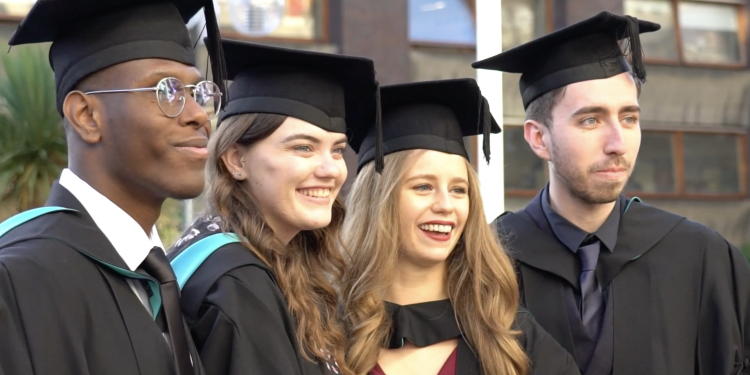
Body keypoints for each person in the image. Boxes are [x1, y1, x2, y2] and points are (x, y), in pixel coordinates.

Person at [473, 11, 750, 375]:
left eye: (629, 118)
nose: (617, 143)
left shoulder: (702, 256)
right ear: (538, 138)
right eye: (591, 120)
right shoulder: (487, 264)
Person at [0, 1, 226, 375]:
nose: (199, 114)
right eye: (166, 91)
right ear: (86, 116)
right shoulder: (21, 279)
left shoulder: (157, 278)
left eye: (199, 92)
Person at [167, 38, 380, 375]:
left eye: (337, 150)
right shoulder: (238, 283)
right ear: (236, 159)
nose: (331, 170)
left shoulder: (259, 259)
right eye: (303, 148)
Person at [340, 78, 581, 375]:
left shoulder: (512, 339)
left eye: (458, 190)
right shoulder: (324, 332)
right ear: (378, 199)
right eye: (423, 186)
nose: (445, 205)